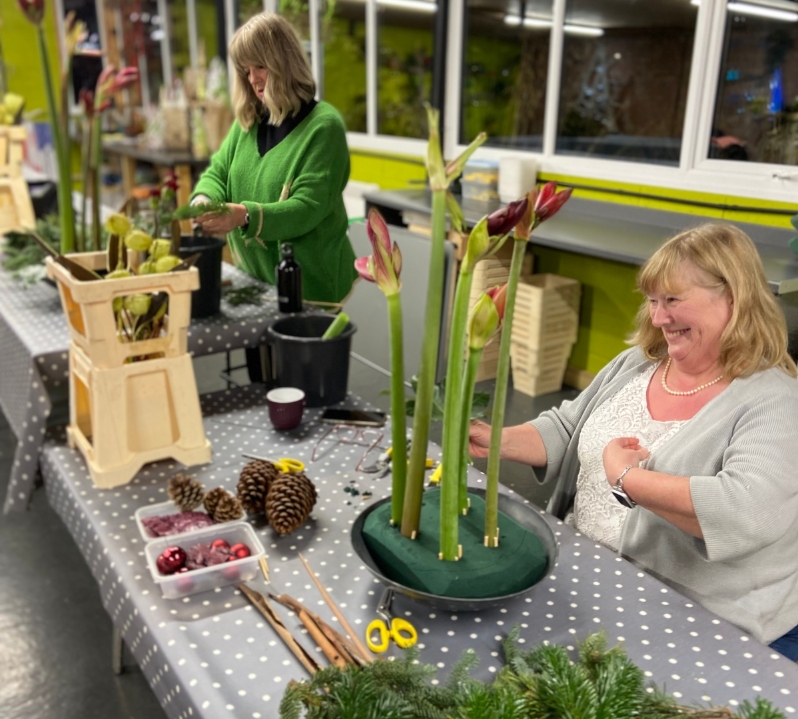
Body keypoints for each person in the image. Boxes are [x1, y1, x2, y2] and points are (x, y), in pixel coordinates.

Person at [469, 223, 798, 658]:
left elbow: (745, 513)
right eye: (653, 300)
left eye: (674, 300)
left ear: (733, 298)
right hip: (589, 572)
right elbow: (569, 428)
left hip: (695, 612)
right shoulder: (638, 363)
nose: (659, 318)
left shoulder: (775, 399)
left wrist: (626, 478)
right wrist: (493, 440)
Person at [191, 13, 357, 305]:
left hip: (314, 295)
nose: (253, 79)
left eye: (261, 66)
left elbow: (307, 208)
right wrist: (204, 199)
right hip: (259, 284)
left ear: (285, 63)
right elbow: (217, 173)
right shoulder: (249, 123)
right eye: (246, 70)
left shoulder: (323, 127)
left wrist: (243, 215)